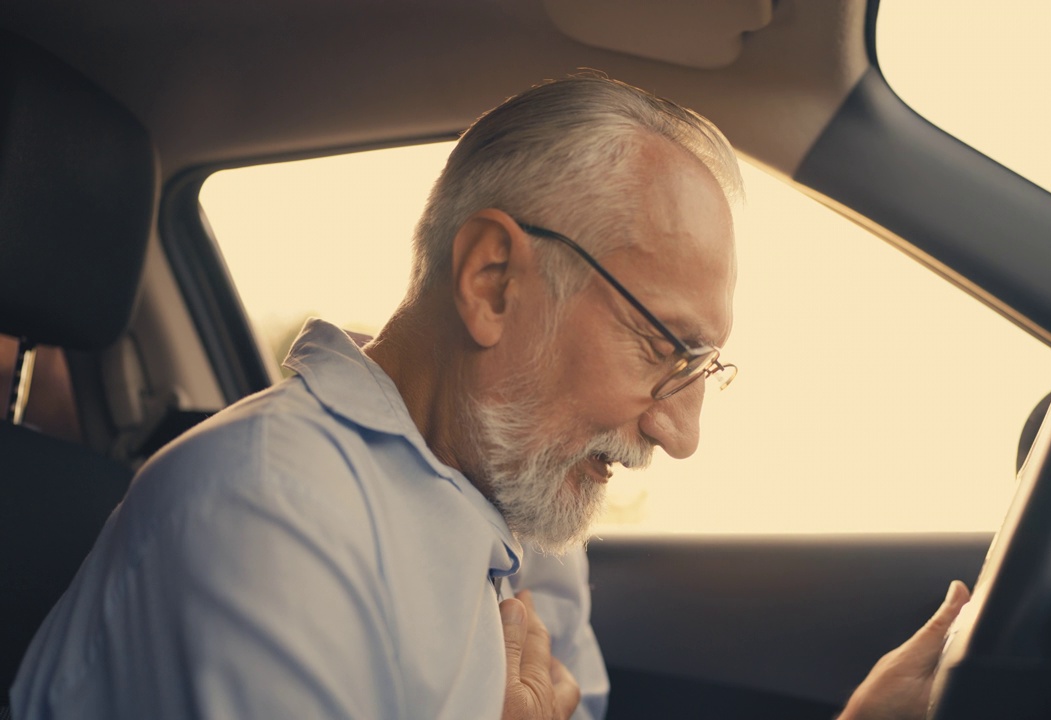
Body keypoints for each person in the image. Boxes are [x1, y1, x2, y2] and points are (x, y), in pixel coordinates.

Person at [10, 76, 968, 720]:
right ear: (493, 281)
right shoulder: (267, 512)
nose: (682, 434)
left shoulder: (517, 508)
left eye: (700, 368)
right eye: (665, 347)